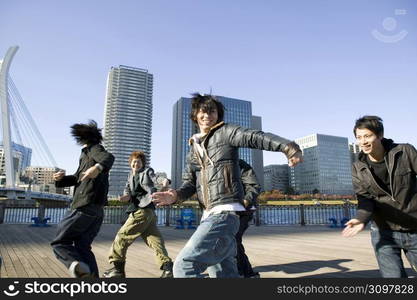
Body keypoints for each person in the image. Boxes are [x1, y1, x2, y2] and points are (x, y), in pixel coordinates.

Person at [152, 93, 302, 277]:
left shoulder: (225, 133)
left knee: (184, 266)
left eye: (212, 111)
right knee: (223, 273)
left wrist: (288, 148)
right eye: (202, 111)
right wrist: (175, 195)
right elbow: (189, 185)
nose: (207, 115)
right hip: (208, 215)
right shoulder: (192, 151)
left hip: (225, 214)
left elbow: (255, 137)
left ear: (218, 115)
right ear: (195, 115)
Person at [342, 116, 417, 278]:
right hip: (384, 233)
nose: (363, 142)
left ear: (380, 135)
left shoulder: (405, 152)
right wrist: (360, 219)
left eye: (367, 136)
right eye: (359, 137)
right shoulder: (358, 167)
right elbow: (365, 199)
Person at [51, 120, 114, 278]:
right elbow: (78, 177)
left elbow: (108, 157)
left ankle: (75, 265)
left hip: (85, 206)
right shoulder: (85, 155)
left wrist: (97, 168)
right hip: (97, 211)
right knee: (83, 247)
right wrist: (60, 179)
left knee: (60, 242)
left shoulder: (94, 148)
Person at [103, 151, 173, 278]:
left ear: (143, 164)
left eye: (139, 161)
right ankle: (168, 268)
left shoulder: (147, 172)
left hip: (143, 210)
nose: (136, 164)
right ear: (130, 163)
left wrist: (164, 180)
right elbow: (127, 193)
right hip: (148, 213)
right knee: (155, 240)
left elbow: (155, 177)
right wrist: (124, 198)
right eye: (134, 161)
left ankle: (118, 269)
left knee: (122, 236)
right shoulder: (130, 176)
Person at [236, 159, 261, 278]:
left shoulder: (240, 164)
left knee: (234, 239)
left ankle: (247, 272)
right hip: (228, 209)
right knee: (232, 240)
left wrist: (247, 200)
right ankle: (242, 270)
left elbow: (254, 185)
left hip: (244, 209)